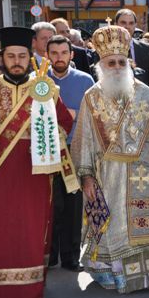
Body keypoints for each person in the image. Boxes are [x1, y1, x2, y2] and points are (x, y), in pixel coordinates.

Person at [71, 24, 149, 293]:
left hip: (143, 173)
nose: (117, 67)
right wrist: (85, 175)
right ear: (101, 65)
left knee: (145, 224)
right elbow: (83, 139)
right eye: (111, 62)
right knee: (114, 222)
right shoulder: (92, 97)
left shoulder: (146, 94)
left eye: (121, 62)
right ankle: (112, 272)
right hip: (107, 176)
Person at [0, 26, 74, 298]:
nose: (16, 61)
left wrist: (47, 131)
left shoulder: (45, 88)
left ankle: (29, 290)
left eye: (22, 56)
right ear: (1, 58)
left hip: (35, 175)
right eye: (11, 56)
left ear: (31, 57)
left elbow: (65, 123)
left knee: (29, 232)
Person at [46, 35, 95, 272]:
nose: (59, 58)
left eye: (63, 53)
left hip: (75, 150)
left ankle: (71, 257)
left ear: (71, 55)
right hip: (46, 152)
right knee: (49, 206)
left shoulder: (85, 80)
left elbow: (93, 116)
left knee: (73, 207)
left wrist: (73, 113)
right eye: (54, 53)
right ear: (47, 55)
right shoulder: (39, 81)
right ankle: (49, 255)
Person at [114, 8, 149, 91]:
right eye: (123, 23)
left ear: (135, 25)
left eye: (131, 23)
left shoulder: (146, 49)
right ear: (115, 24)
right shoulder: (105, 48)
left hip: (141, 100)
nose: (127, 26)